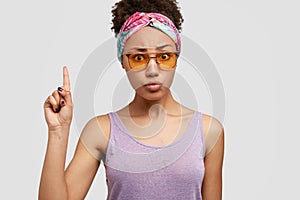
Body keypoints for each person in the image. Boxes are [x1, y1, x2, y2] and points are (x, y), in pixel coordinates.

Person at [38, 0, 224, 199]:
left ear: (176, 59)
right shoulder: (102, 131)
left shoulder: (207, 131)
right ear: (122, 61)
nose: (152, 70)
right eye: (138, 58)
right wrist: (58, 132)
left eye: (164, 57)